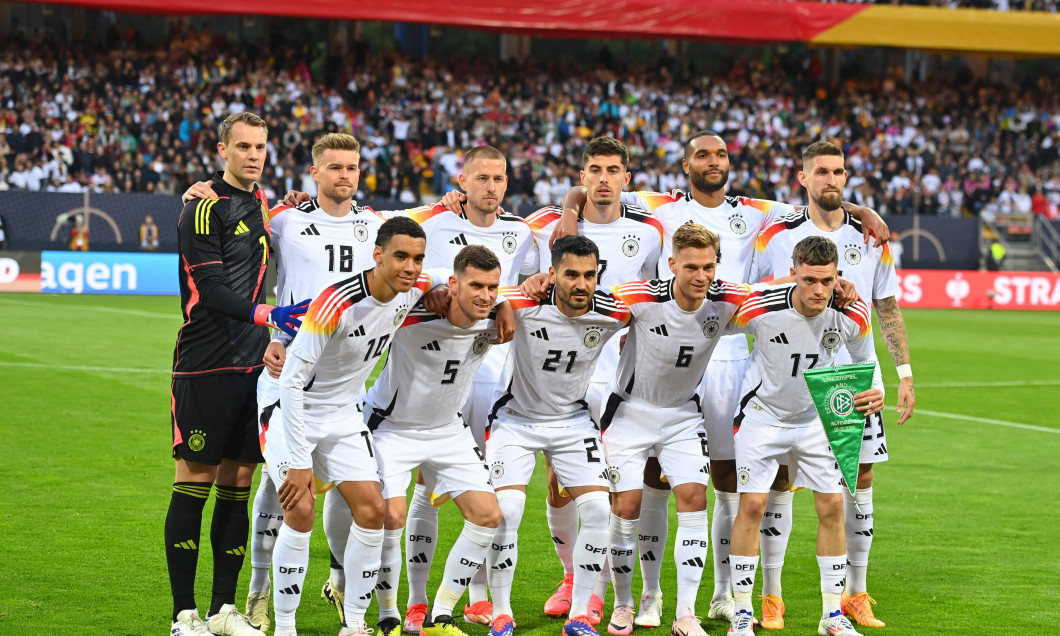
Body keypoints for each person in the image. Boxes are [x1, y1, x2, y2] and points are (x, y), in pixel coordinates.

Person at [554, 131, 890, 627]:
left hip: (732, 349)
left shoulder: (756, 209)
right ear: (685, 164)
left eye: (721, 155)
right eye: (703, 156)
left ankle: (726, 595)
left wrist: (860, 211)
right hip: (664, 355)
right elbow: (597, 188)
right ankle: (647, 595)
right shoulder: (661, 206)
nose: (714, 162)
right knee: (653, 480)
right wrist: (569, 203)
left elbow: (820, 200)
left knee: (728, 482)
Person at [181, 132, 389, 632]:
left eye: (352, 167)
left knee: (356, 497)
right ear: (314, 173)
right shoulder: (284, 219)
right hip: (286, 372)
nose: (345, 175)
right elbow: (233, 216)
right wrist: (196, 190)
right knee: (278, 490)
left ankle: (342, 588)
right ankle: (257, 596)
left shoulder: (377, 226)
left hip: (346, 384)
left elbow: (427, 232)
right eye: (334, 167)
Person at [749, 141, 915, 629]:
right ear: (803, 178)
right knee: (781, 481)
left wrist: (901, 375)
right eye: (821, 172)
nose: (831, 180)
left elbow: (885, 305)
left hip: (853, 375)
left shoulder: (870, 236)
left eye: (839, 172)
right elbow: (757, 300)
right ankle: (772, 595)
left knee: (860, 480)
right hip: (790, 377)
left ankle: (855, 594)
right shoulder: (775, 234)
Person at [265, 216, 442, 636]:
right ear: (377, 254)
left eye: (417, 259)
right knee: (301, 508)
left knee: (373, 511)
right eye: (400, 256)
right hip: (291, 407)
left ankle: (355, 625)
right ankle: (286, 628)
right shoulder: (337, 302)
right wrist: (299, 460)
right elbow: (290, 379)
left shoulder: (413, 287)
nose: (410, 267)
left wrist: (464, 293)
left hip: (343, 414)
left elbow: (447, 277)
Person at [167, 111, 309, 636]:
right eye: (243, 146)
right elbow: (209, 288)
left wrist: (287, 206)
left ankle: (224, 609)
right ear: (222, 149)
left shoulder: (260, 204)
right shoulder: (201, 209)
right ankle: (184, 615)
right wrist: (267, 315)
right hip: (204, 364)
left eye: (261, 147)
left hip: (254, 367)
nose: (254, 155)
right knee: (195, 482)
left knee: (239, 483)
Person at [523, 137, 662, 626]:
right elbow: (519, 284)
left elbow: (656, 299)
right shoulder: (542, 226)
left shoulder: (648, 231)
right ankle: (570, 577)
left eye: (613, 170)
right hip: (555, 374)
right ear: (580, 177)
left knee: (604, 486)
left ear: (627, 178)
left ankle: (599, 589)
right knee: (559, 483)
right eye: (594, 169)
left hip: (618, 378)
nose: (604, 178)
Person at [724, 235, 883, 636]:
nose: (818, 290)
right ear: (792, 273)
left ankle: (832, 616)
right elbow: (714, 315)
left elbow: (865, 358)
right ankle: (743, 611)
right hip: (763, 416)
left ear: (837, 277)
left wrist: (875, 387)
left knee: (832, 507)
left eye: (827, 281)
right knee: (753, 506)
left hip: (815, 418)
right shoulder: (760, 305)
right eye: (809, 279)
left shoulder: (851, 311)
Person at [602, 224, 751, 636]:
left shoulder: (724, 301)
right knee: (627, 506)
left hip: (684, 415)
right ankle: (627, 602)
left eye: (709, 266)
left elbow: (777, 297)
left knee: (692, 498)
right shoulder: (641, 298)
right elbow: (583, 306)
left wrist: (838, 287)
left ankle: (686, 614)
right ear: (672, 265)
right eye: (691, 267)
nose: (701, 276)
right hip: (630, 412)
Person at [486, 236, 629, 636]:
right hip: (515, 420)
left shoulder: (613, 312)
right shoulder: (525, 305)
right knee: (508, 511)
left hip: (572, 422)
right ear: (551, 274)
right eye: (570, 274)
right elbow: (483, 293)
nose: (580, 284)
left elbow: (645, 308)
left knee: (600, 510)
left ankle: (580, 615)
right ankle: (501, 614)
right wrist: (515, 292)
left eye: (589, 275)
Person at [366, 245, 510, 636]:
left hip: (447, 429)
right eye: (476, 285)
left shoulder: (494, 316)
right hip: (391, 429)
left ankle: (442, 613)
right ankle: (387, 617)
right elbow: (384, 280)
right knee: (389, 518)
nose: (485, 295)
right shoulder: (411, 312)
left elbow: (528, 292)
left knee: (488, 515)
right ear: (453, 284)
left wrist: (507, 305)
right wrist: (427, 281)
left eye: (492, 287)